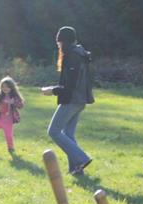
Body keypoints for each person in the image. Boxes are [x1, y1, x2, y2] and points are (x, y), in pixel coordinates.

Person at [41, 26, 94, 175]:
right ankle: (76, 169)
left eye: (59, 42)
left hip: (72, 100)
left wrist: (52, 90)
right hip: (80, 100)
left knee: (53, 131)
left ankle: (82, 159)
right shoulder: (79, 53)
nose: (58, 45)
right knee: (68, 134)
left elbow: (70, 85)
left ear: (63, 41)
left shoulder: (73, 56)